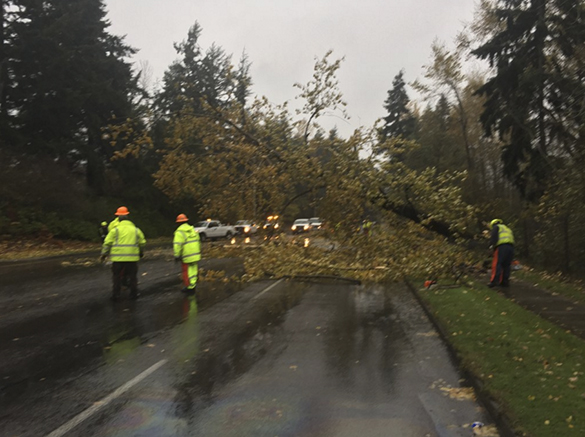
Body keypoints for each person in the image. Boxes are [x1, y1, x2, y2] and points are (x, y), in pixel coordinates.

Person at [100, 206, 146, 301]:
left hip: (117, 259)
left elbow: (107, 243)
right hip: (132, 258)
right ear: (128, 217)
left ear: (118, 218)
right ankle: (134, 294)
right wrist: (140, 252)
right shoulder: (136, 230)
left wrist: (104, 254)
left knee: (116, 277)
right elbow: (142, 242)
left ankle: (116, 295)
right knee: (133, 276)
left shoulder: (115, 230)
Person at [173, 214, 201, 294]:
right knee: (193, 270)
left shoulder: (179, 232)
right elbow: (198, 242)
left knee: (186, 271)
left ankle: (189, 287)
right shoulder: (193, 229)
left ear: (178, 223)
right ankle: (193, 285)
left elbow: (177, 245)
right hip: (195, 254)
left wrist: (177, 255)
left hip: (186, 255)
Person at [487, 218, 515, 288]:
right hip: (511, 247)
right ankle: (505, 282)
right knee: (507, 265)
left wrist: (491, 247)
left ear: (493, 224)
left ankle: (494, 281)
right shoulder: (507, 229)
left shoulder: (496, 227)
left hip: (501, 247)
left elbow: (494, 238)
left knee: (497, 264)